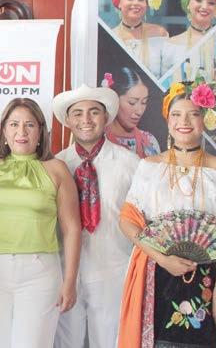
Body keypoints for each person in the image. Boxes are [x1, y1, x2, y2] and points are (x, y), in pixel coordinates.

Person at [118, 81, 216, 348]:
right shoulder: (150, 167)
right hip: (155, 272)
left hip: (206, 276)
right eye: (176, 114)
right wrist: (163, 259)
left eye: (193, 114)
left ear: (205, 119)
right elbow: (128, 221)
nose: (183, 122)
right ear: (167, 120)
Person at [0, 98, 81, 348]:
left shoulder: (56, 169)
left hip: (39, 272)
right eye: (14, 124)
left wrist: (70, 281)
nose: (21, 132)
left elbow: (72, 229)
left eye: (29, 125)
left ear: (40, 131)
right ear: (4, 131)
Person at [52, 85, 141, 348]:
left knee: (109, 342)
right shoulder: (57, 165)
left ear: (106, 117)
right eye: (77, 113)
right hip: (66, 272)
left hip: (113, 271)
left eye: (94, 112)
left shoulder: (130, 164)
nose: (86, 120)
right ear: (68, 120)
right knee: (66, 343)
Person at [109, 0, 169, 75]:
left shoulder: (159, 33)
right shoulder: (111, 37)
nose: (136, 3)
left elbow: (169, 74)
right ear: (118, 2)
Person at [103, 67, 161, 158]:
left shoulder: (149, 141)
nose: (140, 111)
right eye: (132, 102)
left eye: (144, 102)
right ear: (114, 99)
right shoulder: (99, 140)